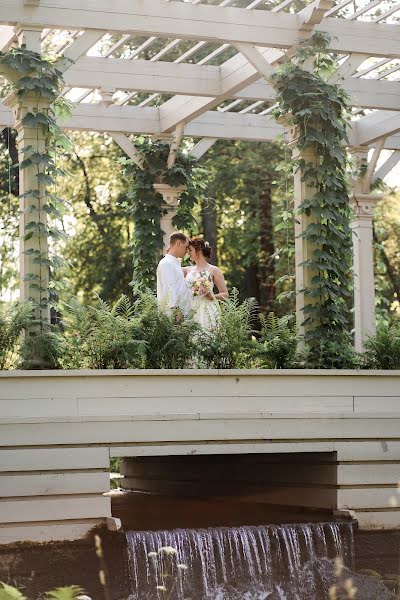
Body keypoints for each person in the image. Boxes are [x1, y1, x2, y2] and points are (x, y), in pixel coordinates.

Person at [183, 237, 228, 331]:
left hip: (208, 310)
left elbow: (225, 294)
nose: (188, 253)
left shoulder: (214, 270)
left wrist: (212, 295)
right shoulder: (186, 270)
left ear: (198, 250)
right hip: (191, 310)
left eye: (190, 250)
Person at [156, 232, 191, 320]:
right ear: (178, 243)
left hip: (182, 314)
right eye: (186, 247)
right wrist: (176, 313)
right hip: (174, 317)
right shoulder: (166, 263)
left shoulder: (174, 263)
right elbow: (169, 290)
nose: (187, 251)